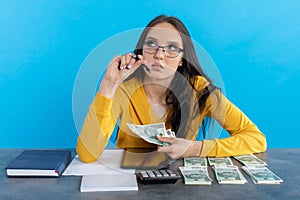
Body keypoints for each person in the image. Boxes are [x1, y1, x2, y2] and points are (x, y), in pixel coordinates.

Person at [76, 15, 267, 163]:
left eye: (172, 48)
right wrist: (108, 85)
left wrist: (194, 148)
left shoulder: (199, 89)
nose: (159, 55)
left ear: (182, 59)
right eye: (151, 45)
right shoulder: (123, 90)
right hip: (130, 184)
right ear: (141, 51)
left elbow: (256, 139)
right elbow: (87, 154)